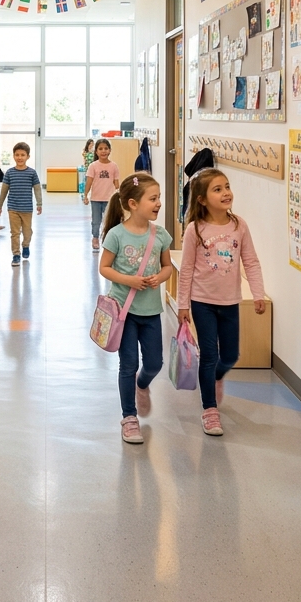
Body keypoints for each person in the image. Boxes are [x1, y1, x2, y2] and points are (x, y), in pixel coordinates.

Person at [176, 169, 265, 436]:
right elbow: (186, 269)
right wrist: (183, 305)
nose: (226, 193)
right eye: (217, 189)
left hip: (230, 301)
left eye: (227, 187)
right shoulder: (195, 229)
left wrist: (258, 293)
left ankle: (216, 376)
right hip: (202, 301)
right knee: (209, 355)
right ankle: (210, 410)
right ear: (202, 199)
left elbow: (251, 261)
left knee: (230, 356)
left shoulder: (239, 225)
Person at [99, 173, 174, 445]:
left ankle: (142, 385)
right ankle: (129, 417)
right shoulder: (116, 235)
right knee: (128, 364)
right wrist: (128, 280)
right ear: (133, 203)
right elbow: (104, 268)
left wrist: (160, 277)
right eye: (153, 199)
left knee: (154, 363)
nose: (158, 203)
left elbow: (167, 267)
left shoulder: (160, 234)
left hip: (151, 311)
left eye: (159, 198)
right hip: (124, 311)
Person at [0, 142, 41, 267]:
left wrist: (39, 203)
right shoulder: (9, 173)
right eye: (17, 155)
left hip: (27, 208)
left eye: (22, 155)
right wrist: (0, 205)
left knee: (27, 232)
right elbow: (4, 190)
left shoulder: (32, 173)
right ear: (13, 156)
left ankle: (26, 245)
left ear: (28, 156)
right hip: (13, 208)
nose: (20, 157)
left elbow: (37, 189)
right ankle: (16, 254)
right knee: (15, 233)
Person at [82, 139, 119, 253]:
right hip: (96, 199)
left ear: (110, 150)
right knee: (96, 221)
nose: (103, 151)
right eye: (100, 149)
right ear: (96, 151)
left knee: (109, 221)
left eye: (106, 148)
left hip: (109, 199)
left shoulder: (114, 166)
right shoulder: (93, 166)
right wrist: (85, 195)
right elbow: (89, 182)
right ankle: (95, 238)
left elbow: (116, 183)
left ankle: (109, 239)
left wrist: (119, 196)